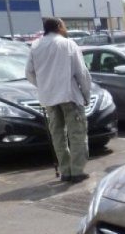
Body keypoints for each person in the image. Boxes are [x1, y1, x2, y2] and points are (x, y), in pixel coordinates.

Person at [25, 17, 92, 183]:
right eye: (64, 25)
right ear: (59, 27)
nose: (65, 28)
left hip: (48, 97)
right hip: (69, 95)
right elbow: (81, 72)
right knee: (76, 133)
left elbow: (29, 73)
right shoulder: (67, 44)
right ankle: (77, 170)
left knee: (58, 135)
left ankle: (65, 170)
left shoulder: (35, 46)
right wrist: (86, 94)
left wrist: (43, 85)